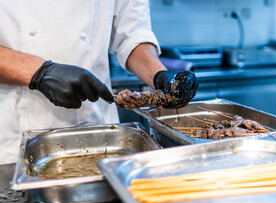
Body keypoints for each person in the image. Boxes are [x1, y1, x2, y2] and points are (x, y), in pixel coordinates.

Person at [0, 1, 198, 165]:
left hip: (99, 131)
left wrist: (159, 76)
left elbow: (133, 36)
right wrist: (38, 72)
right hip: (12, 140)